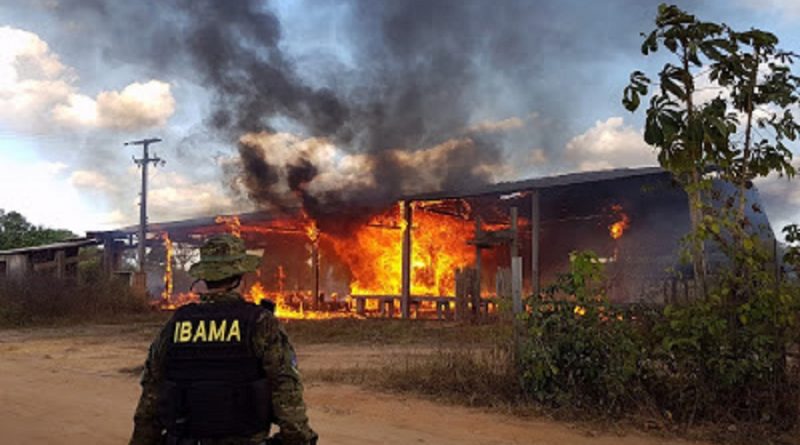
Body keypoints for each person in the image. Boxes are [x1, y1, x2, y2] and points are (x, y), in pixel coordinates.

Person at [129, 234, 318, 445]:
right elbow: (285, 385)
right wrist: (298, 438)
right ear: (240, 277)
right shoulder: (260, 322)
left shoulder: (176, 324)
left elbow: (152, 393)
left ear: (204, 278)